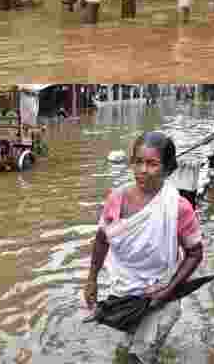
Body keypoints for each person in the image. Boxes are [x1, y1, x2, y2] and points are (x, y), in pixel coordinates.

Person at [84, 132, 204, 364]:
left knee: (137, 358)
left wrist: (169, 290)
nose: (142, 170)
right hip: (126, 295)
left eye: (152, 163)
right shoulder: (116, 200)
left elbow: (195, 253)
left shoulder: (178, 208)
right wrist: (92, 279)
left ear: (168, 169)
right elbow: (102, 239)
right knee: (126, 350)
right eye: (138, 161)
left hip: (162, 293)